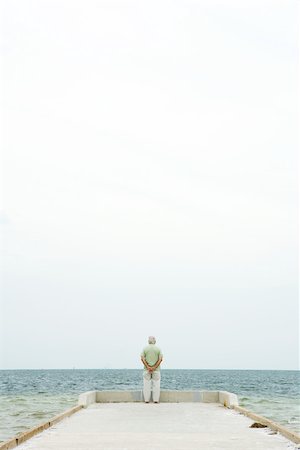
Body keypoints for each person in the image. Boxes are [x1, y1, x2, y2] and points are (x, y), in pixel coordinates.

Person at [141, 336, 163, 403]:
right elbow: (160, 359)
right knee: (156, 385)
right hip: (156, 370)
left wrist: (148, 367)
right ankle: (156, 400)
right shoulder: (158, 349)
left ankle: (146, 400)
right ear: (154, 341)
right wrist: (154, 367)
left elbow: (142, 358)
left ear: (148, 341)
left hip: (146, 370)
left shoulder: (145, 348)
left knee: (146, 385)